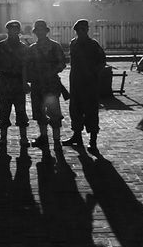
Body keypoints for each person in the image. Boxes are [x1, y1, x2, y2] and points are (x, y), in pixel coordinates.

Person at [62, 19, 106, 154]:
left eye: (83, 29)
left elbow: (102, 61)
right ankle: (77, 137)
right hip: (76, 83)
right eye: (78, 30)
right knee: (75, 111)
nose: (81, 32)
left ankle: (93, 141)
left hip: (89, 85)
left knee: (91, 112)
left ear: (87, 30)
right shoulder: (73, 43)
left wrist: (93, 75)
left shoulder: (93, 44)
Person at [26, 19, 66, 154]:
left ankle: (56, 139)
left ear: (46, 31)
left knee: (54, 113)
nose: (40, 32)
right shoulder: (32, 49)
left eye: (42, 30)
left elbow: (62, 63)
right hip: (37, 85)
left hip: (51, 84)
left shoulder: (55, 46)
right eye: (37, 30)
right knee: (39, 112)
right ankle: (43, 137)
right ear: (35, 32)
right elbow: (28, 66)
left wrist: (51, 72)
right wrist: (30, 77)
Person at [0, 20, 30, 157]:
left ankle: (23, 137)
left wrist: (25, 82)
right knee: (4, 110)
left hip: (19, 81)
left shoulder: (24, 47)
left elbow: (26, 66)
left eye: (16, 29)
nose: (13, 32)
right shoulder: (1, 46)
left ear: (18, 31)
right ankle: (3, 137)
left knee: (21, 111)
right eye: (11, 29)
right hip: (5, 81)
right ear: (7, 30)